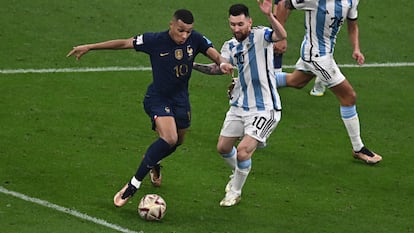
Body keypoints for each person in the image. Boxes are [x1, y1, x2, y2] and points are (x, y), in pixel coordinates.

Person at [67, 9, 233, 208]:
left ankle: (153, 161)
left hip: (181, 100)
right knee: (169, 138)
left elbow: (215, 55)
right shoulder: (154, 40)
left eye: (188, 32)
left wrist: (223, 64)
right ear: (171, 24)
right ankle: (133, 184)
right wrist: (90, 47)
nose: (184, 36)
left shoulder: (195, 39)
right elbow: (123, 43)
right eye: (181, 30)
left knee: (177, 142)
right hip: (157, 98)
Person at [193, 0, 287, 207]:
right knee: (223, 148)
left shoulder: (262, 35)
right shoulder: (230, 45)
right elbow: (219, 66)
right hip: (239, 106)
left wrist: (270, 16)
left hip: (265, 108)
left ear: (249, 22)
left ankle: (234, 191)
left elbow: (281, 36)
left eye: (240, 24)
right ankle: (240, 171)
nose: (236, 29)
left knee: (243, 150)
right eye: (233, 25)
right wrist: (192, 64)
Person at [274, 0, 382, 164]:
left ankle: (248, 81)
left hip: (324, 54)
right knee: (349, 96)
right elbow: (283, 4)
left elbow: (353, 26)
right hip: (316, 56)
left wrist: (356, 48)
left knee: (296, 81)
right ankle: (358, 148)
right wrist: (280, 37)